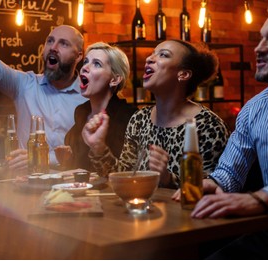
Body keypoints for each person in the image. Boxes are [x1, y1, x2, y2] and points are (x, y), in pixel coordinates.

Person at [176, 1, 268, 259]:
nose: (258, 48)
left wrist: (261, 199)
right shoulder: (253, 108)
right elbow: (229, 172)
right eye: (260, 39)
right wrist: (212, 184)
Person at [82, 40, 230, 188]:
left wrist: (168, 179)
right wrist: (98, 147)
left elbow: (214, 187)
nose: (149, 59)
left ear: (183, 74)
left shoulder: (209, 126)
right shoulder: (140, 119)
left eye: (163, 55)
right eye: (152, 53)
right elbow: (124, 177)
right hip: (141, 209)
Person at [0, 0, 87, 170]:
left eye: (64, 43)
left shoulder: (88, 96)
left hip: (72, 188)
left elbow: (89, 152)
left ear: (79, 56)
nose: (53, 47)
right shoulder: (25, 85)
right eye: (50, 41)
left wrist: (42, 157)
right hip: (26, 187)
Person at [54, 42, 137, 171]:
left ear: (114, 79)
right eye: (86, 61)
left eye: (97, 64)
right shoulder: (81, 113)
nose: (85, 67)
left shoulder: (129, 117)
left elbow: (129, 174)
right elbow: (82, 170)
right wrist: (67, 160)